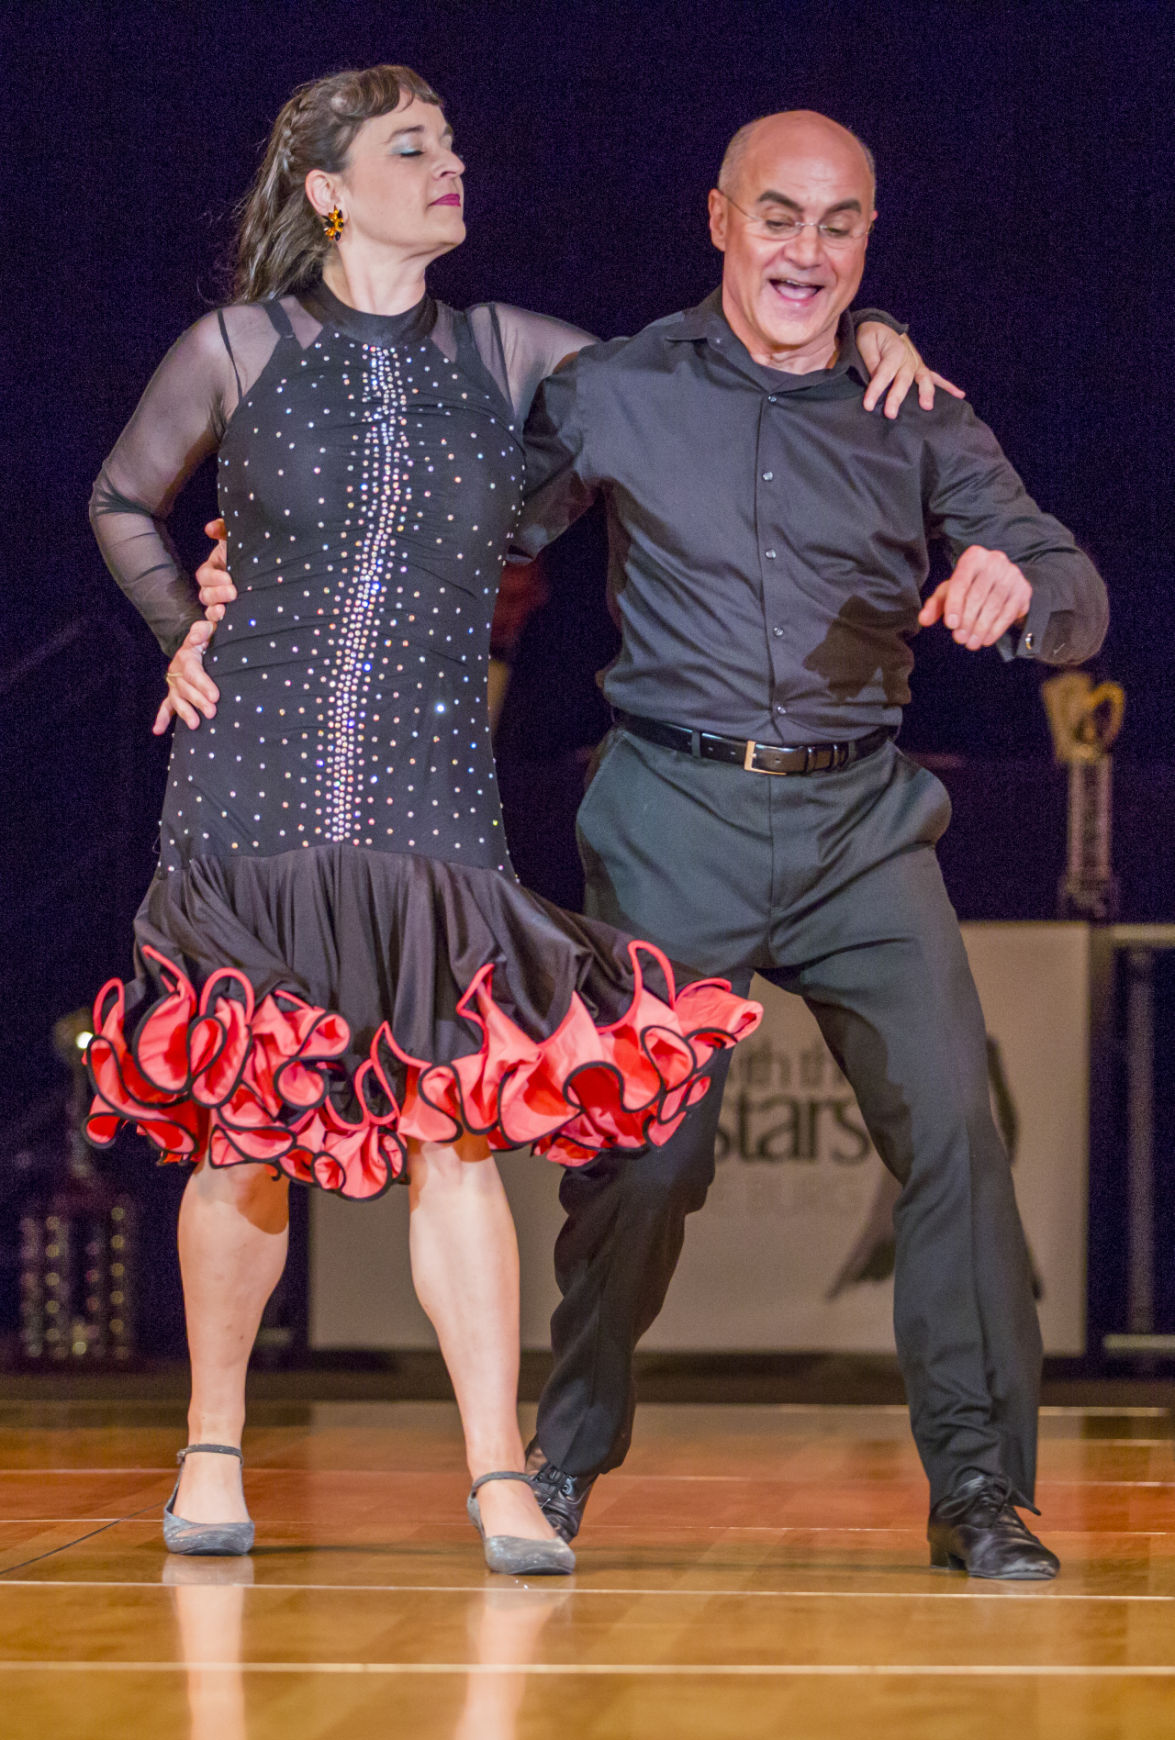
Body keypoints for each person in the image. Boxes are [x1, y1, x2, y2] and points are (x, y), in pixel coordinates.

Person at [167, 80, 943, 1566]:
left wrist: (869, 337)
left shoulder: (507, 346)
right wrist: (189, 615)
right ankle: (211, 1449)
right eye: (416, 147)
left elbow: (715, 369)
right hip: (263, 765)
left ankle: (500, 1475)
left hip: (430, 778)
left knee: (454, 1126)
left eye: (457, 141)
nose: (453, 164)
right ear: (329, 187)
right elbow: (141, 502)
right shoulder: (246, 348)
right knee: (247, 1122)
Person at [500, 110, 1109, 1581]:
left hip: (858, 826)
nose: (808, 252)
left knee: (957, 1133)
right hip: (672, 816)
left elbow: (1075, 588)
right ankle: (560, 1460)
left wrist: (1006, 590)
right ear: (719, 218)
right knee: (649, 1154)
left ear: (868, 243)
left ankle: (978, 1490)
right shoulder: (615, 388)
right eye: (780, 217)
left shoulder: (920, 413)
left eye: (841, 228)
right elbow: (468, 529)